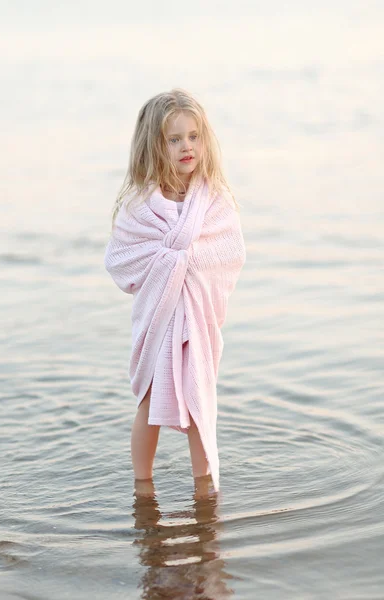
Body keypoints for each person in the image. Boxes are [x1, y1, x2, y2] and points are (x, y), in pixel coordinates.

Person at [104, 88, 246, 497]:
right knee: (149, 402)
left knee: (199, 397)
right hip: (160, 317)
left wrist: (185, 258)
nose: (187, 146)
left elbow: (230, 251)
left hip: (195, 318)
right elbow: (121, 260)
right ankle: (142, 487)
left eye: (194, 136)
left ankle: (205, 489)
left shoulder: (214, 200)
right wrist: (170, 260)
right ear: (154, 146)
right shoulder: (139, 207)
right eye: (174, 139)